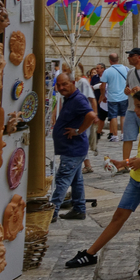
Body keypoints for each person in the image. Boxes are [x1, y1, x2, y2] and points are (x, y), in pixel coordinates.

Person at [65, 88, 140, 276]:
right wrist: (123, 163)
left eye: (139, 106)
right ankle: (91, 253)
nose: (136, 111)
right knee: (118, 216)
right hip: (137, 179)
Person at [50, 73, 97, 220]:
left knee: (63, 179)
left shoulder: (78, 99)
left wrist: (78, 131)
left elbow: (91, 115)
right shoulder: (70, 98)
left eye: (65, 84)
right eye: (59, 85)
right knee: (76, 180)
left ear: (72, 83)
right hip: (72, 148)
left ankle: (52, 212)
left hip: (73, 148)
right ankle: (79, 209)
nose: (61, 87)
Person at [102, 54, 129, 143]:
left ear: (110, 60)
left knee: (113, 116)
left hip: (112, 97)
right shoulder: (126, 69)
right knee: (123, 115)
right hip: (124, 96)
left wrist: (102, 95)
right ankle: (123, 134)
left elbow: (103, 85)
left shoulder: (107, 71)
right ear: (118, 59)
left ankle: (114, 135)